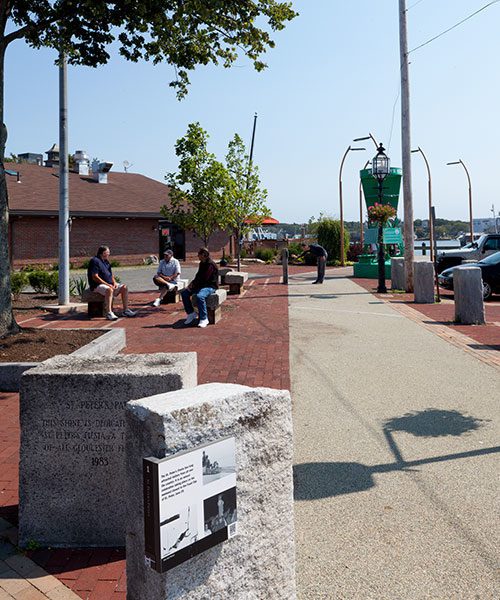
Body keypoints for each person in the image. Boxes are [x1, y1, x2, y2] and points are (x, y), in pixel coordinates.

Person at [87, 245, 136, 320]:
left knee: (124, 288)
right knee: (109, 290)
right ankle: (109, 312)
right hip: (97, 285)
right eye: (108, 252)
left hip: (109, 284)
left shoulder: (106, 261)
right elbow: (95, 277)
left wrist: (115, 283)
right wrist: (107, 285)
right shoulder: (95, 261)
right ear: (103, 253)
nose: (109, 253)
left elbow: (111, 274)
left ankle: (125, 310)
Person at [181, 248, 218, 328]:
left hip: (210, 286)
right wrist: (191, 284)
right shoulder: (202, 263)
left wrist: (194, 285)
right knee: (184, 293)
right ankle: (191, 313)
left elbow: (205, 278)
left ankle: (204, 318)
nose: (198, 256)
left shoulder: (211, 265)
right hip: (201, 285)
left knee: (200, 296)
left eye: (199, 254)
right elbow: (198, 276)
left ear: (204, 255)